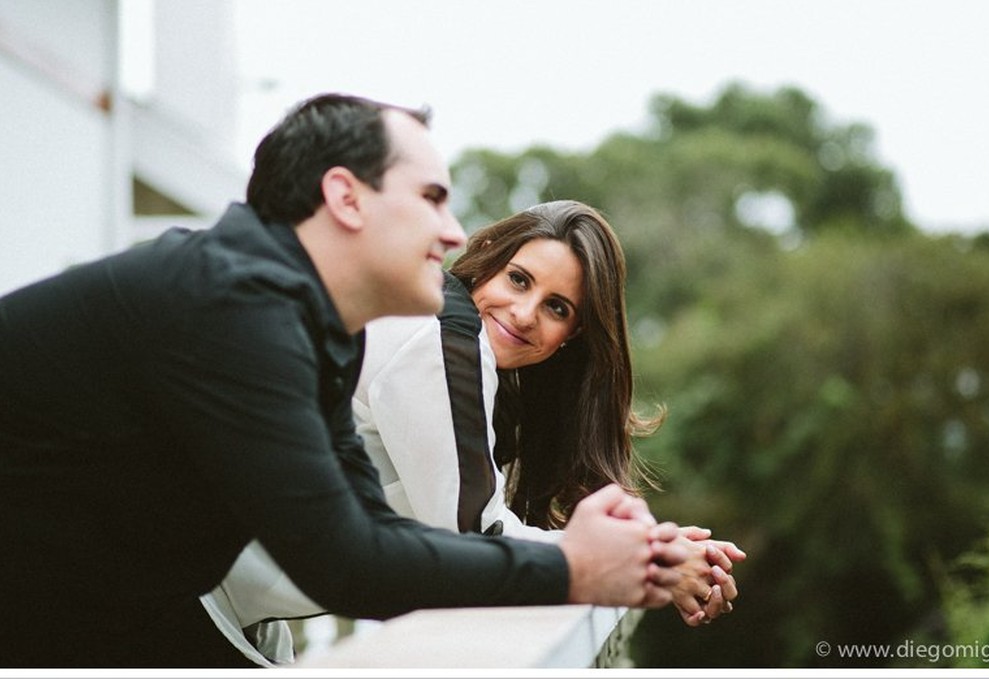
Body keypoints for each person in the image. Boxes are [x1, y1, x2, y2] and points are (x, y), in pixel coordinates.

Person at [0, 94, 690, 668]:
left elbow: (369, 530)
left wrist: (593, 555)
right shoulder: (235, 305)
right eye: (432, 198)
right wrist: (573, 565)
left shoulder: (315, 331)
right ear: (345, 197)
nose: (456, 233)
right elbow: (347, 562)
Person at [203, 201, 746, 665]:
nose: (525, 313)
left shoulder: (477, 369)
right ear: (486, 259)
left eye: (557, 307)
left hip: (233, 609)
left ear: (573, 335)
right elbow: (476, 540)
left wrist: (649, 551)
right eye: (518, 279)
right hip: (195, 593)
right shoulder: (440, 338)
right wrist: (651, 560)